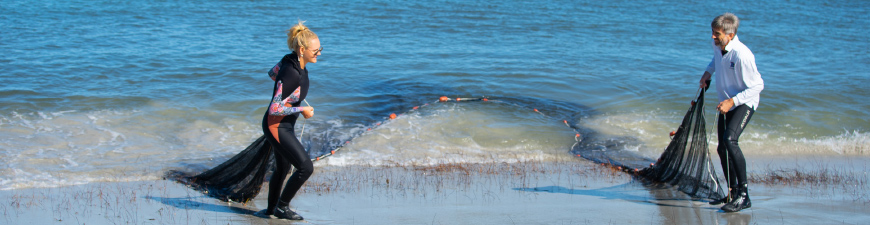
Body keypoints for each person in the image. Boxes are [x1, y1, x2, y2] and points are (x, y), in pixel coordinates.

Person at [698, 13, 764, 213]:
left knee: (730, 140)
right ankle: (732, 192)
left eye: (716, 34)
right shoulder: (719, 45)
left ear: (730, 34)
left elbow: (758, 86)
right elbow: (715, 59)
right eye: (712, 32)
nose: (712, 37)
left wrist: (732, 101)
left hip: (744, 102)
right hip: (726, 101)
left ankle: (744, 196)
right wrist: (708, 72)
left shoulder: (743, 55)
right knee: (721, 149)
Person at [261, 20, 322, 220]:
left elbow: (272, 74)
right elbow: (275, 107)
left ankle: (271, 210)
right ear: (302, 49)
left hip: (285, 124)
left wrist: (292, 94)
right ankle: (282, 207)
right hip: (276, 125)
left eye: (320, 49)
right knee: (306, 167)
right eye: (315, 50)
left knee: (284, 167)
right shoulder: (291, 71)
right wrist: (302, 108)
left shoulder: (291, 61)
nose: (319, 53)